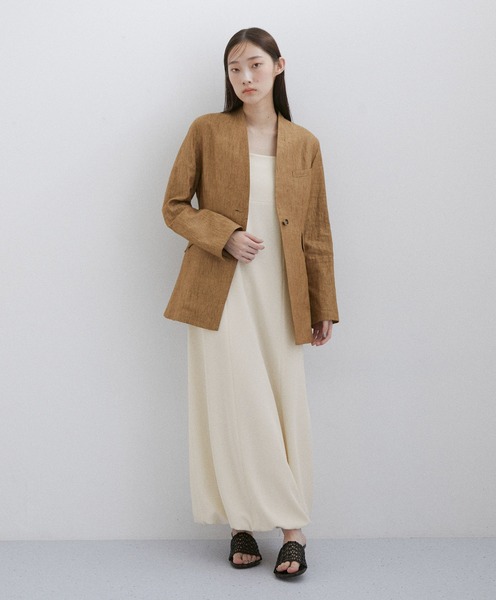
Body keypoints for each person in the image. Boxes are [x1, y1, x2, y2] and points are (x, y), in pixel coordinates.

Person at [162, 27, 339, 579]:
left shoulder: (304, 143)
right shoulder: (207, 130)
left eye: (255, 65)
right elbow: (174, 205)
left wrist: (322, 303)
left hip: (282, 295)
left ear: (279, 66)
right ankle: (241, 521)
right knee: (234, 405)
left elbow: (316, 230)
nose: (245, 77)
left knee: (284, 402)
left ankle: (292, 529)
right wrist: (225, 235)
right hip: (220, 292)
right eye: (235, 68)